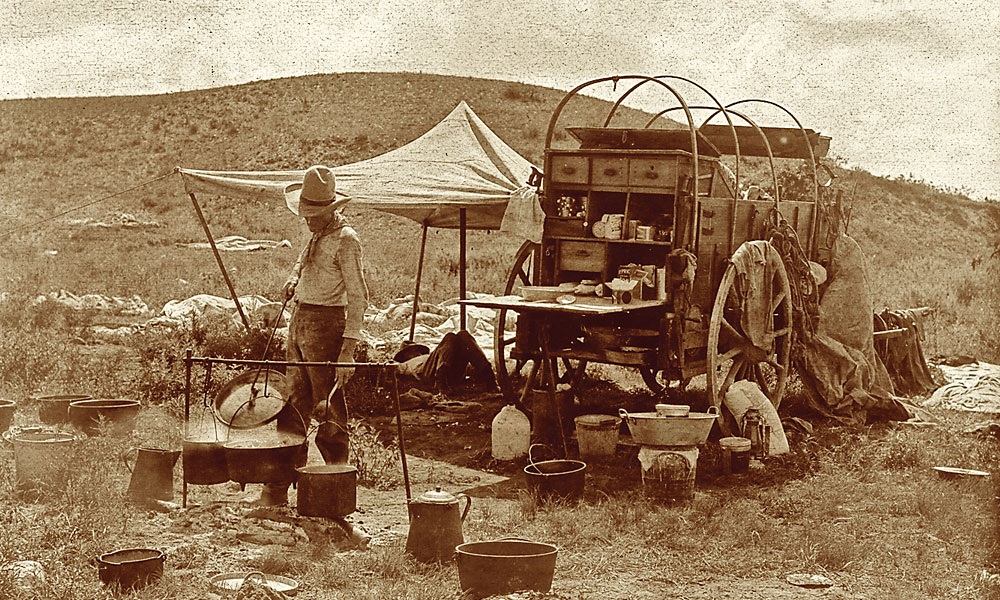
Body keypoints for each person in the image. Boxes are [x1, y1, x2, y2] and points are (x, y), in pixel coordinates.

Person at [257, 165, 370, 506]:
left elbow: (359, 297)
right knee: (292, 407)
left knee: (330, 411)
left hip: (326, 326)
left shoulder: (346, 240)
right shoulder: (317, 234)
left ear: (331, 210)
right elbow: (302, 262)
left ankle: (336, 493)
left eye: (314, 215)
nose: (307, 220)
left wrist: (347, 351)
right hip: (299, 322)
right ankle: (277, 489)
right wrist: (293, 279)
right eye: (305, 214)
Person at [393, 330, 498, 393]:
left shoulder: (430, 356)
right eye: (411, 351)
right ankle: (441, 380)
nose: (415, 352)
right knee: (450, 336)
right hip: (430, 373)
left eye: (416, 349)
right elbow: (394, 369)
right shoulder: (406, 364)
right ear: (405, 356)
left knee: (463, 334)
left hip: (449, 370)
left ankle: (489, 375)